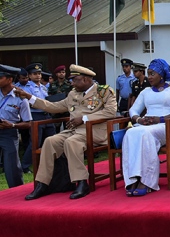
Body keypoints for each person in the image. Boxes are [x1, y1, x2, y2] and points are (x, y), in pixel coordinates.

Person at [20, 65, 117, 200]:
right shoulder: (73, 94)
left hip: (94, 131)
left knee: (71, 142)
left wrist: (84, 118)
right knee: (50, 141)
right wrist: (30, 97)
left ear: (85, 79)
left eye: (75, 80)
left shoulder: (103, 91)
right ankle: (43, 184)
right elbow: (54, 107)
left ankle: (81, 182)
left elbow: (110, 112)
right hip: (74, 131)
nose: (72, 83)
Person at [122, 59, 170, 196]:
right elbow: (133, 110)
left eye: (152, 74)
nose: (150, 77)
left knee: (145, 134)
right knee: (130, 133)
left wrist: (161, 119)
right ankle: (134, 178)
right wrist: (139, 119)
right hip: (146, 125)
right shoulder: (145, 91)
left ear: (162, 74)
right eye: (148, 74)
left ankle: (147, 181)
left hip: (168, 126)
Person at [20, 62, 55, 173]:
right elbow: (27, 102)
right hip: (35, 115)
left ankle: (51, 163)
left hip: (47, 115)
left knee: (52, 139)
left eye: (39, 73)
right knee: (35, 142)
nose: (38, 76)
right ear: (29, 76)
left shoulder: (44, 87)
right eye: (35, 74)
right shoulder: (27, 88)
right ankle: (25, 166)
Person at [0, 66, 32, 188]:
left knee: (11, 165)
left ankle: (16, 191)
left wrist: (12, 125)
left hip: (8, 133)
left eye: (0, 78)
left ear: (9, 79)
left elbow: (28, 123)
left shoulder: (20, 98)